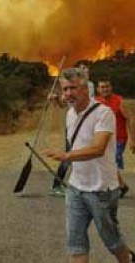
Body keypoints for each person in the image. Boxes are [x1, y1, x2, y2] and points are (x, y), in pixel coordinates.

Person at [41, 68, 131, 263]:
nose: (68, 94)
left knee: (112, 241)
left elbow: (98, 148)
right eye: (65, 89)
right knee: (76, 244)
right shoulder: (70, 114)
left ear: (85, 89)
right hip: (76, 188)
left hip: (101, 190)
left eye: (72, 88)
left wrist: (67, 155)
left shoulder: (104, 113)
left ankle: (127, 260)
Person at [51, 62, 97, 196]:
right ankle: (56, 184)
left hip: (89, 122)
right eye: (82, 70)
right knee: (70, 153)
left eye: (86, 71)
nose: (85, 73)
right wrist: (55, 99)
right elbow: (62, 103)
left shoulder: (91, 86)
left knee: (87, 152)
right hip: (74, 123)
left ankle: (87, 184)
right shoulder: (71, 87)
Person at [95, 78, 135, 198]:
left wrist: (133, 140)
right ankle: (121, 186)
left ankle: (116, 187)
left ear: (111, 87)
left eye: (107, 86)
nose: (105, 89)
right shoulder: (96, 102)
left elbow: (130, 119)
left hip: (118, 138)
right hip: (102, 138)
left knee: (111, 162)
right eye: (102, 87)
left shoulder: (119, 101)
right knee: (106, 162)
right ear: (98, 89)